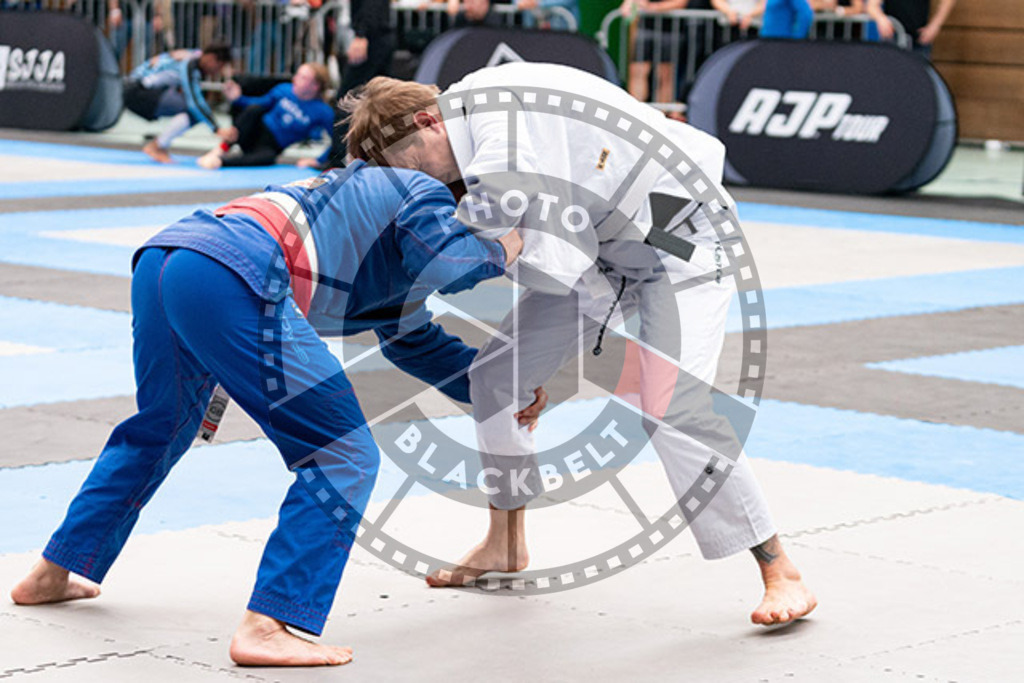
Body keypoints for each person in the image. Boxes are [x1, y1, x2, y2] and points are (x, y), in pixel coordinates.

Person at [342, 63, 818, 626]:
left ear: (429, 122)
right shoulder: (466, 132)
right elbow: (549, 253)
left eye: (414, 166)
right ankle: (506, 542)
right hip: (602, 252)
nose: (420, 182)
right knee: (494, 380)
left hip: (679, 242)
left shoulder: (495, 118)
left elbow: (538, 249)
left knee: (670, 405)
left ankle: (779, 569)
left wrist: (453, 244)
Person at [9, 162, 538, 666]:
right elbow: (452, 262)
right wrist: (507, 245)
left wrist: (501, 390)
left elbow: (415, 342)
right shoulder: (419, 190)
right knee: (342, 453)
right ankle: (269, 624)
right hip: (234, 270)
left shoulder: (369, 215)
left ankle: (54, 570)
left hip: (168, 256)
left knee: (161, 426)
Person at [197, 63, 334, 169]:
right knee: (254, 110)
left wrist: (317, 160)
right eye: (297, 75)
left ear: (315, 86)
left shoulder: (324, 112)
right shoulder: (284, 89)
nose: (295, 79)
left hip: (271, 145)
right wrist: (238, 98)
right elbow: (259, 103)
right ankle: (220, 150)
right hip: (254, 131)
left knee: (268, 158)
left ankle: (221, 162)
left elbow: (338, 142)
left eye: (302, 77)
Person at [123, 43, 234, 164]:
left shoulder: (194, 55)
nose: (218, 72)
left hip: (136, 88)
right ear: (211, 58)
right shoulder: (190, 63)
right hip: (137, 92)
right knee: (193, 110)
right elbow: (194, 101)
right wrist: (216, 128)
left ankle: (159, 145)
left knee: (193, 109)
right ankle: (157, 146)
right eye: (219, 66)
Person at [621, 0, 691, 104]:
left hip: (670, 31)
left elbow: (681, 2)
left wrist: (654, 7)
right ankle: (634, 108)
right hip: (645, 27)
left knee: (665, 75)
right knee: (638, 70)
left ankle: (662, 111)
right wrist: (628, 4)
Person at [867, 0, 955, 56]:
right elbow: (871, 6)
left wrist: (935, 25)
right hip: (893, 39)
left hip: (919, 40)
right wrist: (881, 19)